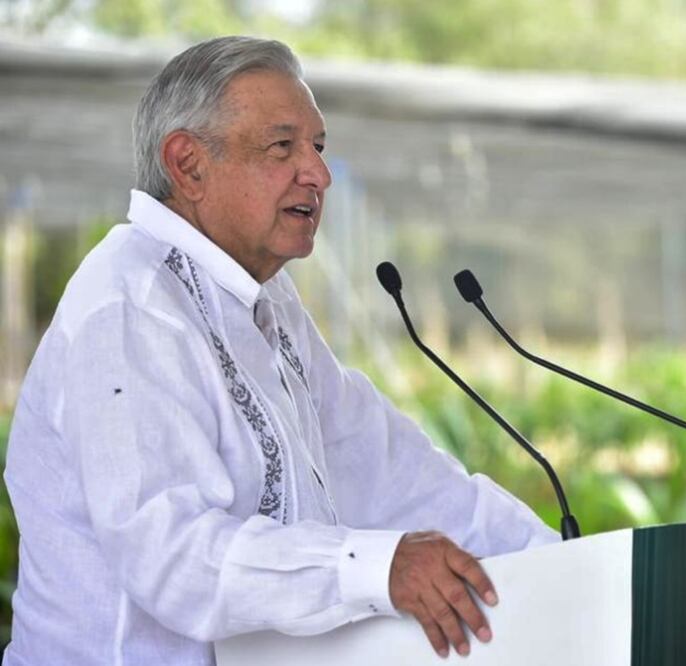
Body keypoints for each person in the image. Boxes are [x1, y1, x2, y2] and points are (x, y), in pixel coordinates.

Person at [2, 36, 558, 665]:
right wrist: (374, 568)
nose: (318, 173)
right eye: (282, 146)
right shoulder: (130, 303)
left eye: (317, 147)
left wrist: (570, 560)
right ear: (187, 165)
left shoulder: (268, 300)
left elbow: (390, 471)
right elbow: (173, 555)